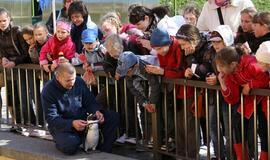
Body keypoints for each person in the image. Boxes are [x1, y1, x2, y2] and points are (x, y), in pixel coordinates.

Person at [41, 62, 119, 155]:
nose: (72, 83)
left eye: (73, 79)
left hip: (83, 120)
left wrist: (96, 111)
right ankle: (76, 140)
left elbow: (89, 101)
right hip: (63, 125)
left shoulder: (78, 81)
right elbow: (51, 118)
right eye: (68, 81)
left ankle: (104, 150)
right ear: (58, 78)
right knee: (70, 145)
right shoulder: (48, 90)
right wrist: (71, 124)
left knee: (112, 117)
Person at [216, 46, 269, 160]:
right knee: (237, 126)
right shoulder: (230, 74)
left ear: (233, 64)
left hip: (264, 101)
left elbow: (265, 78)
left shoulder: (250, 63)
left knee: (264, 131)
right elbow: (233, 99)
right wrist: (222, 83)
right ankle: (242, 157)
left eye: (221, 66)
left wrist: (251, 85)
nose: (219, 69)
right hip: (249, 102)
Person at [0, 7, 33, 124]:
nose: (2, 23)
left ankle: (32, 122)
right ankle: (17, 123)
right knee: (12, 98)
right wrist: (3, 57)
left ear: (9, 19)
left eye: (4, 20)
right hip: (9, 70)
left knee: (24, 97)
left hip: (23, 68)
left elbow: (26, 53)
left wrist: (14, 62)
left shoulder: (17, 31)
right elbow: (2, 50)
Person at [207, 25, 234, 159]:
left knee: (229, 129)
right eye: (213, 41)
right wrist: (209, 74)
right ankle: (219, 156)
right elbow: (204, 67)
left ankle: (230, 156)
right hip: (214, 95)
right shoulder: (210, 52)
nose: (215, 44)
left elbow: (234, 75)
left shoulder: (233, 52)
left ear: (226, 39)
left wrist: (218, 81)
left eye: (218, 41)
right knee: (213, 127)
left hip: (230, 96)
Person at [254, 41, 270, 160]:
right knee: (264, 133)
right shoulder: (265, 72)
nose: (257, 64)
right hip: (266, 109)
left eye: (260, 62)